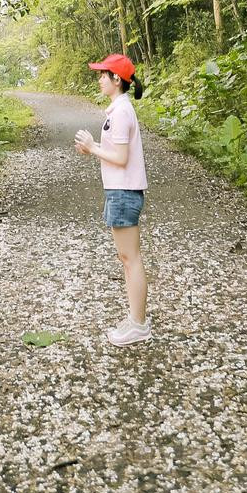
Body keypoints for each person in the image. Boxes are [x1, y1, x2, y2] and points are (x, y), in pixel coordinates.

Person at [74, 52, 150, 347]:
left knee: (130, 260)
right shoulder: (119, 109)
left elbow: (120, 157)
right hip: (121, 191)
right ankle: (136, 319)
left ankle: (138, 324)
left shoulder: (120, 112)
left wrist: (93, 148)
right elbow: (116, 155)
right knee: (127, 258)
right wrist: (91, 149)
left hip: (124, 193)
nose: (99, 79)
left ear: (116, 79)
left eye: (102, 74)